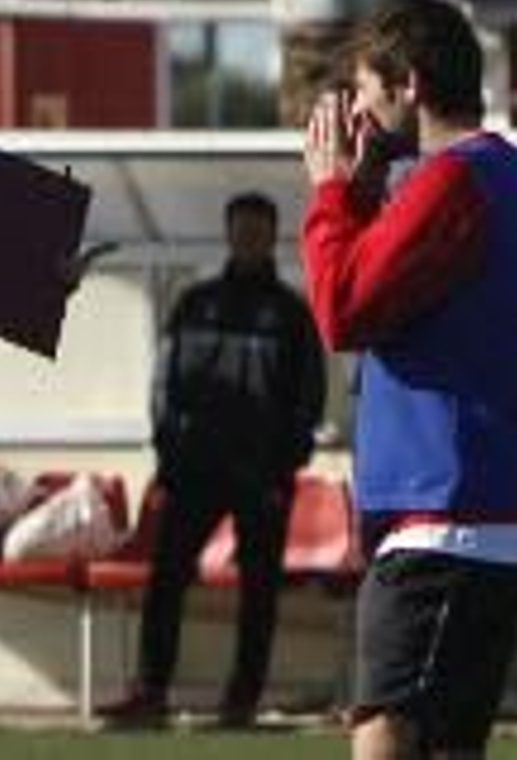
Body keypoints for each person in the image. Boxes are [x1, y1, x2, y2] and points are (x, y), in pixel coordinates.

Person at [300, 0, 517, 759]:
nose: (357, 116)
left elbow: (343, 308)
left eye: (367, 93)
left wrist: (332, 192)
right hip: (502, 515)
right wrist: (369, 194)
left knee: (384, 725)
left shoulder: (453, 180)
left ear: (409, 83)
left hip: (448, 519)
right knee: (447, 744)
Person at [100, 190, 328, 729]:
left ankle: (240, 703)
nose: (248, 239)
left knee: (258, 595)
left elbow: (309, 398)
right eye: (240, 230)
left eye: (258, 231)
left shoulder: (291, 314)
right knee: (166, 582)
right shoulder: (195, 302)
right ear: (228, 234)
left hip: (262, 478)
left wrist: (283, 466)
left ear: (273, 238)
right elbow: (164, 382)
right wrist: (169, 452)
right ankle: (151, 694)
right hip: (193, 471)